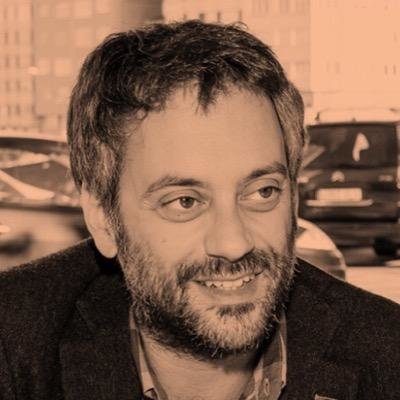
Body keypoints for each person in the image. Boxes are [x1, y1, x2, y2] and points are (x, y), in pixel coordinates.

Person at [0, 20, 399, 400]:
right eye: (185, 202)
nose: (233, 243)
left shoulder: (388, 359)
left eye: (262, 192)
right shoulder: (13, 345)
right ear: (103, 218)